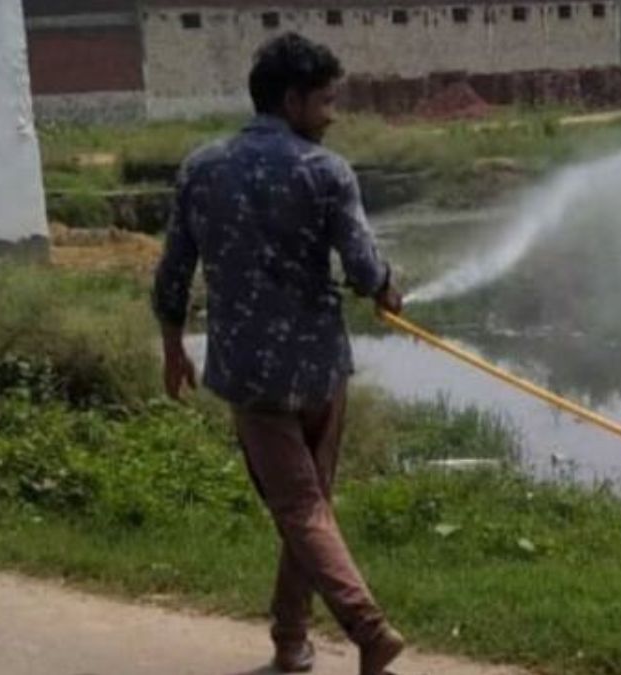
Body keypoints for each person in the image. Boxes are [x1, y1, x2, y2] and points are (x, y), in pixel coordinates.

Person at [152, 32, 405, 675]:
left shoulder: (202, 168)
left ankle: (364, 630)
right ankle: (292, 642)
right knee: (308, 506)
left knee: (299, 508)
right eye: (324, 101)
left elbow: (173, 272)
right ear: (291, 101)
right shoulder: (326, 171)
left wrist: (172, 346)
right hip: (321, 371)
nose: (332, 113)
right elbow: (362, 263)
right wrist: (385, 289)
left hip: (251, 372)